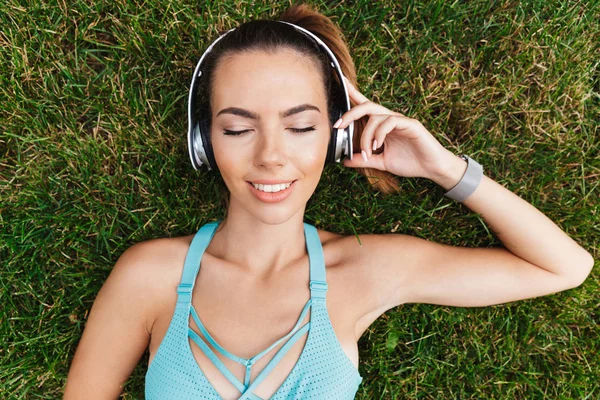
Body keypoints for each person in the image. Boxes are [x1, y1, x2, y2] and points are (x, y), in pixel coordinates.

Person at [64, 4, 594, 400]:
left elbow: (563, 266)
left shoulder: (365, 270)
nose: (271, 156)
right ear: (203, 141)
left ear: (337, 136)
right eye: (238, 128)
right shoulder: (150, 275)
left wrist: (443, 168)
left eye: (299, 126)